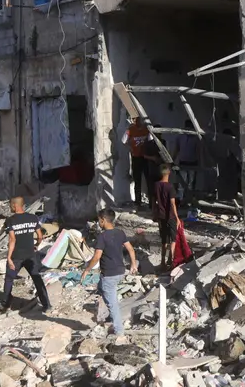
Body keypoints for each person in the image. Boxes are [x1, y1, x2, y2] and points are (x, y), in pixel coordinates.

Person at [81, 208, 138, 336]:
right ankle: (109, 317)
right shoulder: (120, 233)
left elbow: (96, 256)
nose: (98, 223)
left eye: (98, 220)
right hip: (120, 271)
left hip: (110, 274)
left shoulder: (102, 236)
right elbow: (131, 249)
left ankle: (119, 332)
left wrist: (87, 270)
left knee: (112, 304)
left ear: (103, 220)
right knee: (101, 287)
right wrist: (133, 264)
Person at [0, 196, 51, 313]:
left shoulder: (11, 220)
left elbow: (12, 240)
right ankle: (46, 304)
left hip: (16, 256)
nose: (10, 207)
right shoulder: (33, 218)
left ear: (15, 205)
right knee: (37, 279)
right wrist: (36, 245)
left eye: (11, 205)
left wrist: (9, 258)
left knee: (9, 279)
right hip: (31, 254)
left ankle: (5, 305)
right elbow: (40, 236)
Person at [153, 164, 180, 269]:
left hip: (161, 216)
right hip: (170, 216)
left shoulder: (156, 185)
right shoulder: (170, 186)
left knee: (164, 240)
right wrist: (177, 218)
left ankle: (163, 262)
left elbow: (153, 201)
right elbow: (173, 203)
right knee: (173, 239)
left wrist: (154, 213)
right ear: (169, 173)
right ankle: (171, 259)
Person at [172, 120, 201, 201]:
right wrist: (172, 160)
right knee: (182, 182)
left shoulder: (196, 137)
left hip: (193, 162)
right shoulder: (180, 136)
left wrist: (199, 162)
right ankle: (181, 199)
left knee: (191, 183)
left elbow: (198, 151)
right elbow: (177, 149)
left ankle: (189, 199)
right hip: (183, 162)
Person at [127, 117, 151, 208]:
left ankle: (151, 202)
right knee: (137, 180)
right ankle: (138, 202)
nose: (137, 122)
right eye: (135, 120)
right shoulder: (130, 129)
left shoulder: (147, 130)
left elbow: (151, 140)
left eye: (138, 120)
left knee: (148, 179)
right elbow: (124, 141)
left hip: (146, 157)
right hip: (136, 158)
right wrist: (131, 149)